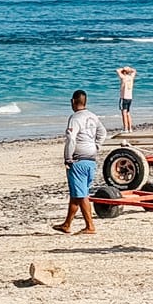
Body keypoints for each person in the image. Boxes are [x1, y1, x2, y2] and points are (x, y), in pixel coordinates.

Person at [57, 90, 107, 235]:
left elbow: (71, 139)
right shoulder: (93, 116)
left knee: (81, 195)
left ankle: (90, 226)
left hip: (79, 159)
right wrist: (96, 146)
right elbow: (102, 133)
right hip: (91, 159)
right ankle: (67, 224)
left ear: (73, 101)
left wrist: (67, 157)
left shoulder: (75, 118)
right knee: (76, 193)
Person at [116, 65, 138, 132]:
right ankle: (130, 128)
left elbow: (117, 70)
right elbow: (134, 71)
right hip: (130, 97)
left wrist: (123, 69)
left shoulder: (123, 78)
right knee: (128, 112)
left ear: (124, 72)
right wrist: (129, 69)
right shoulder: (131, 77)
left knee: (124, 113)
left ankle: (125, 128)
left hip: (124, 97)